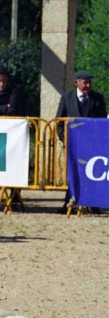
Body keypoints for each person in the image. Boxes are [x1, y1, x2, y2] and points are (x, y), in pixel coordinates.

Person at [56, 70, 107, 213]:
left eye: (89, 82)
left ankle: (93, 204)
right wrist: (64, 138)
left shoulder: (98, 98)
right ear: (76, 82)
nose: (88, 85)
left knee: (92, 172)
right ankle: (69, 202)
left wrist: (99, 140)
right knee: (72, 172)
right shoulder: (67, 97)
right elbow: (59, 120)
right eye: (85, 82)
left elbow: (102, 122)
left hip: (92, 144)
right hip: (73, 144)